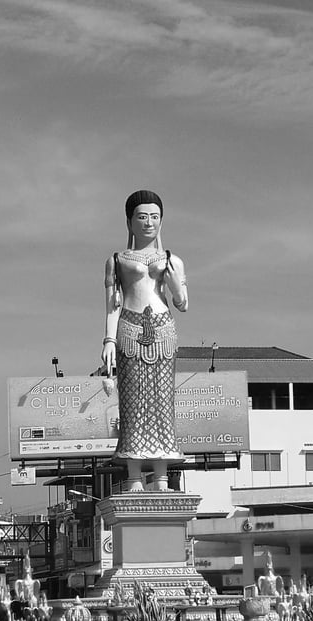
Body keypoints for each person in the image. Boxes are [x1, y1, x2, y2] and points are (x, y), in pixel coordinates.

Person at [101, 189, 188, 491]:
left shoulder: (171, 259)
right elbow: (112, 305)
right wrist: (108, 340)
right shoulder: (118, 260)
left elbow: (183, 302)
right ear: (129, 222)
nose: (148, 222)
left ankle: (162, 475)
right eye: (142, 216)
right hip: (129, 330)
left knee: (163, 402)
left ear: (162, 221)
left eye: (154, 217)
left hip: (162, 329)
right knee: (134, 403)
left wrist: (175, 280)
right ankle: (135, 474)